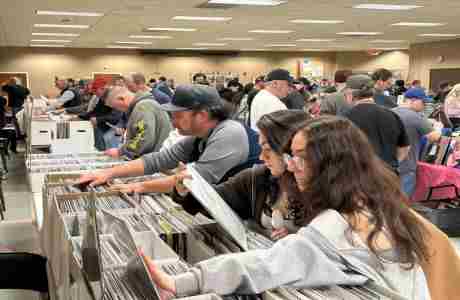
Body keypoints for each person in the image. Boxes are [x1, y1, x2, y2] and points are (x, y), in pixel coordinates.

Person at [142, 116, 431, 299]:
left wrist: (180, 282)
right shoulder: (379, 204)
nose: (292, 166)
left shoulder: (338, 221)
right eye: (291, 156)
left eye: (300, 158)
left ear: (330, 164)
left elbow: (270, 264)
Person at [80, 84, 261, 194]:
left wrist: (142, 187)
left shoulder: (229, 134)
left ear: (202, 115)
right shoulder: (201, 136)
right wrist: (108, 173)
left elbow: (194, 180)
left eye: (178, 116)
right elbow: (159, 159)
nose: (173, 123)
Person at [176, 110, 310, 240]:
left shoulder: (320, 189)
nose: (262, 157)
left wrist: (298, 243)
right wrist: (187, 189)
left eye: (268, 149)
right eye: (261, 149)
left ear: (289, 150)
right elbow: (213, 200)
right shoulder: (257, 178)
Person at [344, 74, 410, 173]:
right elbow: (405, 148)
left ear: (350, 95)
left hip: (358, 178)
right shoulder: (392, 115)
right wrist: (390, 165)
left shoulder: (344, 119)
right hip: (389, 177)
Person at [393, 88, 441, 197]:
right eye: (423, 102)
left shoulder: (389, 111)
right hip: (407, 166)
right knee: (402, 202)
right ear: (413, 100)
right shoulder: (415, 117)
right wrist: (437, 128)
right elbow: (434, 137)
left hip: (388, 165)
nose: (424, 106)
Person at [103, 86, 172, 159]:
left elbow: (144, 138)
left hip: (156, 161)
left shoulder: (142, 107)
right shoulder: (142, 106)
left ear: (121, 99)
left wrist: (120, 151)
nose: (118, 110)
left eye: (115, 107)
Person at [78, 77, 123, 151]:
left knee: (107, 138)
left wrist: (98, 119)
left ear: (103, 88)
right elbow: (96, 111)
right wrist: (80, 117)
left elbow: (116, 117)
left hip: (116, 127)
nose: (95, 94)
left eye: (96, 91)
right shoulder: (102, 97)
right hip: (106, 125)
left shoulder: (114, 96)